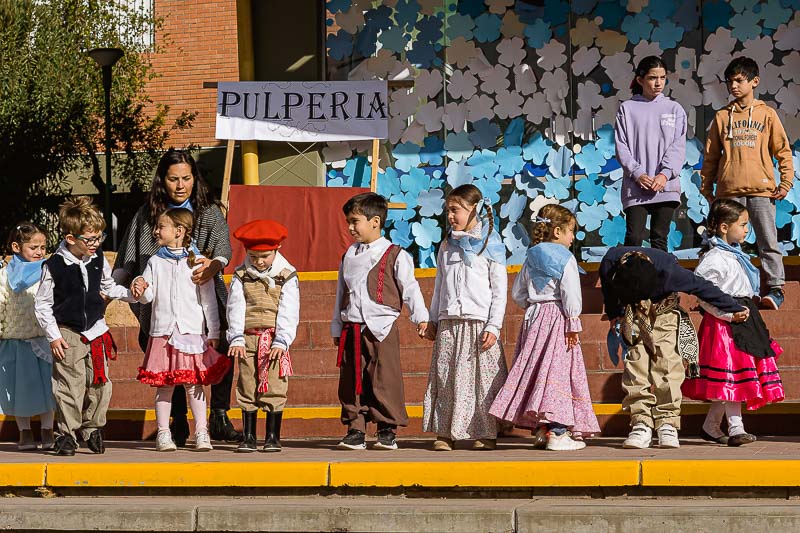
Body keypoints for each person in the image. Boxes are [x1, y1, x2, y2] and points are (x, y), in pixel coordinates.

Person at [113, 149, 240, 446]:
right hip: (161, 308)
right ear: (162, 180)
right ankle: (177, 420)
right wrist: (111, 290)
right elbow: (127, 258)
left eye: (186, 178)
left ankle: (218, 416)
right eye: (173, 179)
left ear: (195, 178)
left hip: (201, 297)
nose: (181, 185)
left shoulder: (208, 211)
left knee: (217, 351)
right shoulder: (147, 215)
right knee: (168, 364)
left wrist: (213, 265)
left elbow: (223, 248)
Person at [599, 246, 746, 449]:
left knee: (667, 365)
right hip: (632, 313)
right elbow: (607, 288)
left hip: (664, 313)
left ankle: (667, 423)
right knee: (636, 366)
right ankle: (641, 422)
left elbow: (703, 288)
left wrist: (734, 307)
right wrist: (614, 312)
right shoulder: (611, 262)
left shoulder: (670, 272)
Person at [490, 205, 600, 451]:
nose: (573, 237)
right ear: (558, 231)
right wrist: (573, 322)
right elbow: (571, 294)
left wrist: (533, 306)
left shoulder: (531, 256)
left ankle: (542, 429)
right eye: (571, 231)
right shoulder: (566, 258)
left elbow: (518, 293)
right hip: (558, 319)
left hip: (534, 317)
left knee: (537, 370)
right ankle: (557, 431)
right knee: (557, 372)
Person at [34, 196, 135, 456]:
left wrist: (132, 294)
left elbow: (108, 286)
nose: (96, 244)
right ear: (70, 238)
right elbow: (42, 304)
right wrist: (54, 336)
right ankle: (66, 434)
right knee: (70, 384)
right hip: (68, 332)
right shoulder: (54, 265)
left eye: (99, 238)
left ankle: (93, 427)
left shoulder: (97, 257)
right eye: (89, 239)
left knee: (101, 382)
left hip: (96, 329)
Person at [331, 192, 429, 450]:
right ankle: (356, 428)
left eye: (355, 221)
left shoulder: (395, 254)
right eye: (348, 222)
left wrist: (421, 318)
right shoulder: (348, 255)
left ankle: (386, 429)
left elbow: (410, 288)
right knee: (352, 380)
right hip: (352, 327)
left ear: (375, 221)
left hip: (381, 328)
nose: (350, 228)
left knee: (385, 378)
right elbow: (341, 293)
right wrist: (337, 326)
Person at [682, 199, 784, 446]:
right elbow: (704, 295)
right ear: (724, 227)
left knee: (732, 376)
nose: (747, 229)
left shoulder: (736, 255)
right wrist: (727, 315)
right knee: (732, 375)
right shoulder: (714, 258)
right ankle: (736, 428)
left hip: (744, 318)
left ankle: (711, 425)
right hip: (725, 325)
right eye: (743, 224)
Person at [131, 208, 231, 451]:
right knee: (164, 386)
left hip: (191, 332)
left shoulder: (197, 262)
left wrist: (214, 332)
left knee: (194, 385)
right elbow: (148, 297)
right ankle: (163, 433)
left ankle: (202, 432)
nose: (156, 231)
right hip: (163, 334)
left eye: (161, 227)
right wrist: (140, 286)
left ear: (179, 231)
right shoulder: (155, 262)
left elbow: (208, 301)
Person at [701, 56, 795, 310]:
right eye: (729, 81)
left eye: (739, 80)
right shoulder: (722, 116)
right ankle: (730, 290)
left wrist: (785, 182)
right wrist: (706, 187)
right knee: (726, 244)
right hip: (729, 191)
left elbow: (783, 151)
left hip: (762, 191)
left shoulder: (767, 114)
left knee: (768, 241)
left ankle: (775, 289)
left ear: (754, 81)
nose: (733, 86)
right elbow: (711, 156)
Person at [422, 184, 508, 451]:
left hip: (479, 324)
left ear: (474, 210)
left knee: (482, 382)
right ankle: (445, 433)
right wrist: (433, 319)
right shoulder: (446, 246)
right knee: (447, 378)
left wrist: (494, 326)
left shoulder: (491, 245)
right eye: (448, 210)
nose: (450, 216)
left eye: (455, 210)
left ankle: (486, 432)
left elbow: (499, 291)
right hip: (449, 323)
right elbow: (439, 286)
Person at [227, 219, 299, 453]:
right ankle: (249, 436)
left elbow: (289, 310)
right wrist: (236, 337)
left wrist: (282, 340)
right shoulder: (241, 275)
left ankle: (272, 436)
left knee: (275, 385)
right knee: (247, 383)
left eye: (265, 256)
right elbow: (235, 307)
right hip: (248, 337)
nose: (258, 262)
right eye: (253, 256)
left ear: (277, 250)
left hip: (273, 339)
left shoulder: (286, 275)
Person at [615, 55, 687, 251]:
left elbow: (678, 146)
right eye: (653, 78)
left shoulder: (675, 109)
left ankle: (660, 273)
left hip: (666, 186)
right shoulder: (627, 109)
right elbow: (621, 146)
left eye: (662, 78)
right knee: (634, 237)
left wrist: (665, 174)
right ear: (640, 80)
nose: (658, 83)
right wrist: (637, 173)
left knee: (659, 238)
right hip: (636, 186)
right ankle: (632, 272)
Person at [0, 223, 56, 451]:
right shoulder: (5, 275)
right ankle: (24, 432)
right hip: (15, 341)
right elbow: (1, 305)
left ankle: (47, 429)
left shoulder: (49, 271)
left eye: (43, 247)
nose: (39, 252)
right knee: (18, 389)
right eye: (33, 247)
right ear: (16, 247)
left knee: (48, 388)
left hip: (43, 340)